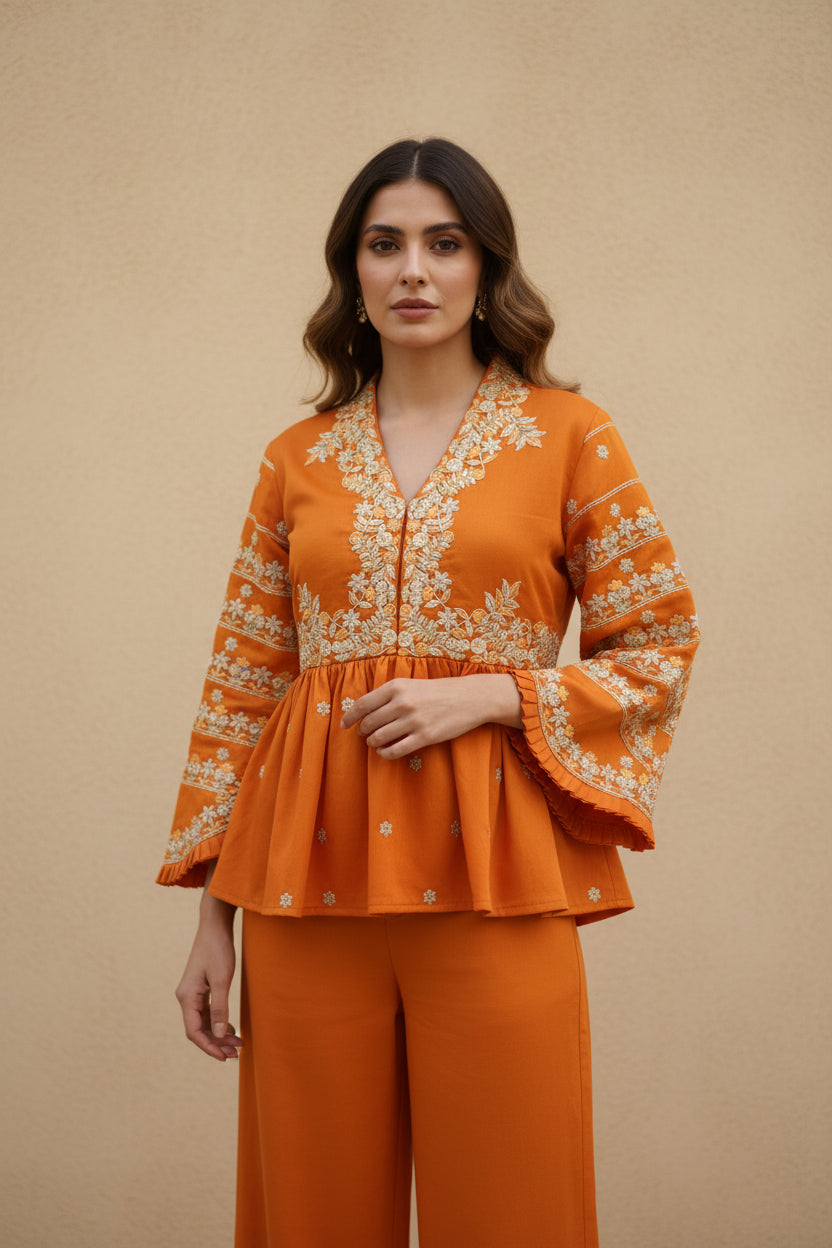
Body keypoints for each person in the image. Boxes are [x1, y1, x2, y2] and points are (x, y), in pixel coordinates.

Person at [158, 137, 699, 1247]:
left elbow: (657, 642)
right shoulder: (295, 458)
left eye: (443, 244)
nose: (413, 269)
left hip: (494, 877)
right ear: (351, 273)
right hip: (303, 889)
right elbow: (246, 685)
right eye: (385, 243)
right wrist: (212, 916)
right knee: (308, 1214)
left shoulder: (570, 437)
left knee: (515, 1208)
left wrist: (501, 697)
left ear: (483, 269)